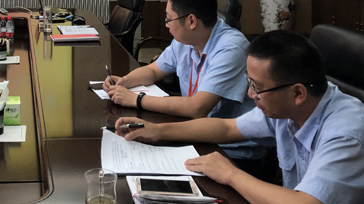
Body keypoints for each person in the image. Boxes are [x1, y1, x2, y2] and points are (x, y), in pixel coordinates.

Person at [115, 29, 364, 204]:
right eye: (249, 82)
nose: (250, 94)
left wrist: (231, 174)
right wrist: (158, 130)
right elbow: (228, 128)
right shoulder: (289, 104)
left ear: (298, 93)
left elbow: (306, 202)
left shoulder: (345, 133)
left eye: (257, 87)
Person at [103, 0, 259, 165]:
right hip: (194, 133)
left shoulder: (230, 48)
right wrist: (124, 82)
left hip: (230, 151)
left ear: (191, 21)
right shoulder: (186, 40)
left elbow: (197, 108)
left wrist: (136, 99)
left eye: (169, 19)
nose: (167, 25)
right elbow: (153, 70)